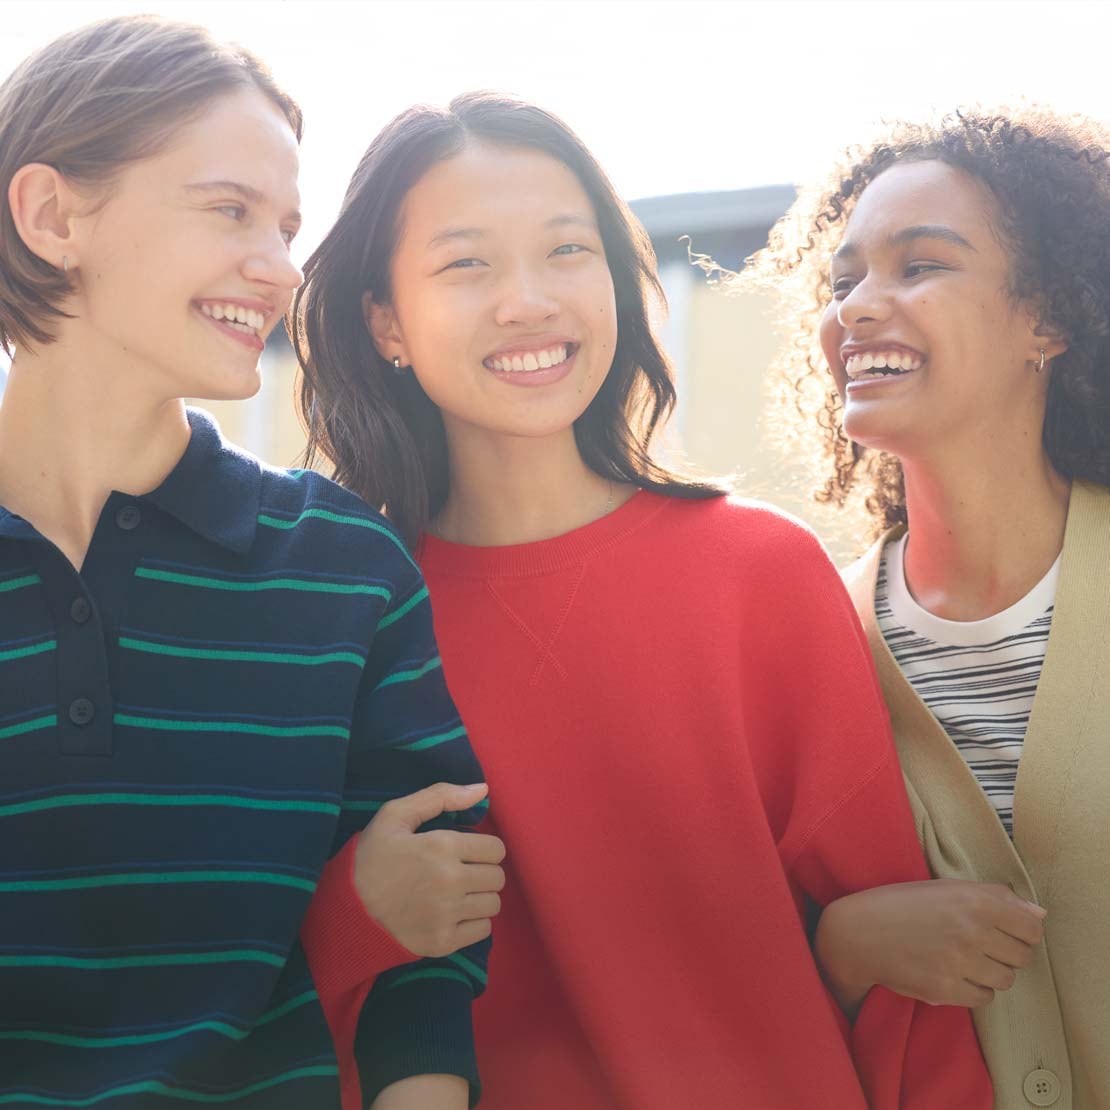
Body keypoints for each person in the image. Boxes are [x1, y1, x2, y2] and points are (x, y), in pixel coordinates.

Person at [293, 93, 991, 1110]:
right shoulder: (339, 623)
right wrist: (351, 912)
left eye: (567, 251)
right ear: (384, 321)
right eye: (467, 263)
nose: (528, 300)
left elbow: (906, 976)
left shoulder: (759, 574)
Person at [0, 17, 503, 1110]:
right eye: (229, 210)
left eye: (286, 224)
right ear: (50, 215)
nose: (279, 268)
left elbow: (432, 970)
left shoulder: (343, 571)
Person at [750, 107, 1110, 1108]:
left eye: (920, 266)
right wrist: (843, 946)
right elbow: (742, 965)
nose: (859, 307)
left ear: (1051, 318)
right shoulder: (810, 635)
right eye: (843, 280)